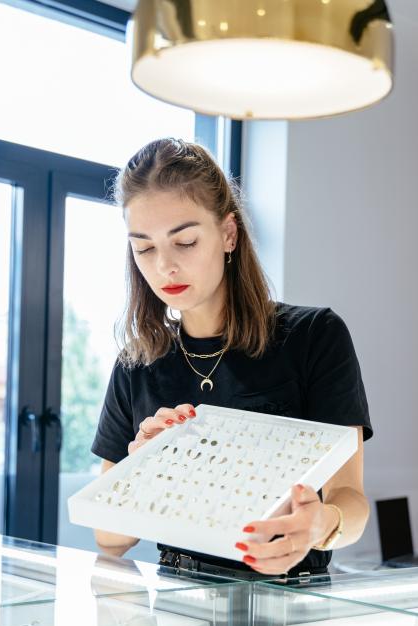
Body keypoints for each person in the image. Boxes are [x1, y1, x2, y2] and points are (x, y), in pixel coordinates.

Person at [91, 138, 372, 578]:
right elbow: (110, 539)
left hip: (291, 606)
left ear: (228, 233)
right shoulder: (137, 364)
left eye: (184, 242)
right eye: (144, 248)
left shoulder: (315, 337)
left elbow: (351, 500)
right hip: (179, 608)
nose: (164, 266)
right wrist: (141, 471)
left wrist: (320, 525)